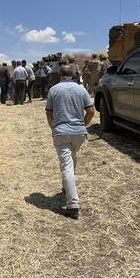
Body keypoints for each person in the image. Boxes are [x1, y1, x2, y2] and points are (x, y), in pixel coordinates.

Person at [45, 65, 95, 219]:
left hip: (61, 132)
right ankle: (67, 187)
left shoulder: (54, 90)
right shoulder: (81, 89)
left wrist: (53, 128)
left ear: (60, 74)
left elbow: (49, 112)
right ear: (74, 75)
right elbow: (91, 111)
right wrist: (83, 124)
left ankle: (73, 205)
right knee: (72, 158)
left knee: (66, 166)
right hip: (79, 134)